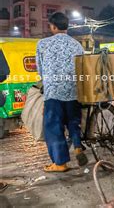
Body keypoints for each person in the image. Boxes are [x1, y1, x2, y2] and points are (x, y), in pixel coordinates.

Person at [36, 12, 88, 172]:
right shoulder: (77, 45)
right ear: (67, 26)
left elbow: (40, 69)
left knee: (53, 126)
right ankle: (78, 146)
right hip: (73, 91)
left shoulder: (43, 44)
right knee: (73, 121)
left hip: (54, 92)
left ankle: (60, 163)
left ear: (53, 26)